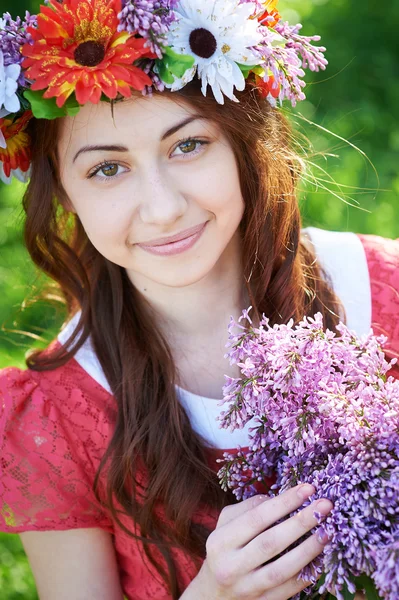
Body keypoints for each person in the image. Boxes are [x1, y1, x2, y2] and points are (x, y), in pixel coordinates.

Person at [0, 1, 397, 599]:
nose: (162, 209)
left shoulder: (383, 291)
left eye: (187, 146)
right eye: (108, 169)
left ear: (243, 144)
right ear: (65, 195)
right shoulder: (57, 416)